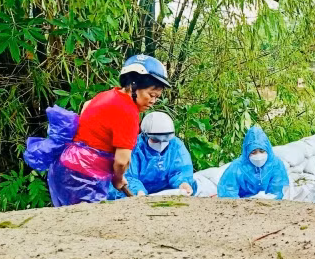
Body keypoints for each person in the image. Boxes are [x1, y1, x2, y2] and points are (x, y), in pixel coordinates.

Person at [30, 55, 170, 206]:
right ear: (134, 85)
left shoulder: (106, 96)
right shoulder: (128, 112)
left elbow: (86, 107)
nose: (154, 101)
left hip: (65, 166)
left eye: (157, 97)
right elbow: (122, 161)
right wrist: (118, 178)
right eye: (151, 95)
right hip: (83, 175)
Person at [109, 112, 196, 198]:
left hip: (167, 193)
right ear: (145, 135)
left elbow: (181, 170)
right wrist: (138, 191)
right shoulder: (134, 148)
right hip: (140, 193)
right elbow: (128, 176)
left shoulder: (176, 145)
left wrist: (183, 183)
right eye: (156, 140)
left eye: (166, 139)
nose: (161, 143)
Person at [217, 126, 289, 199]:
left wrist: (268, 199)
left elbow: (278, 190)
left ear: (268, 149)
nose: (258, 156)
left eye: (261, 151)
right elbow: (228, 192)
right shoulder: (237, 167)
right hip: (242, 205)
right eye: (253, 152)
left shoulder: (276, 165)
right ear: (247, 152)